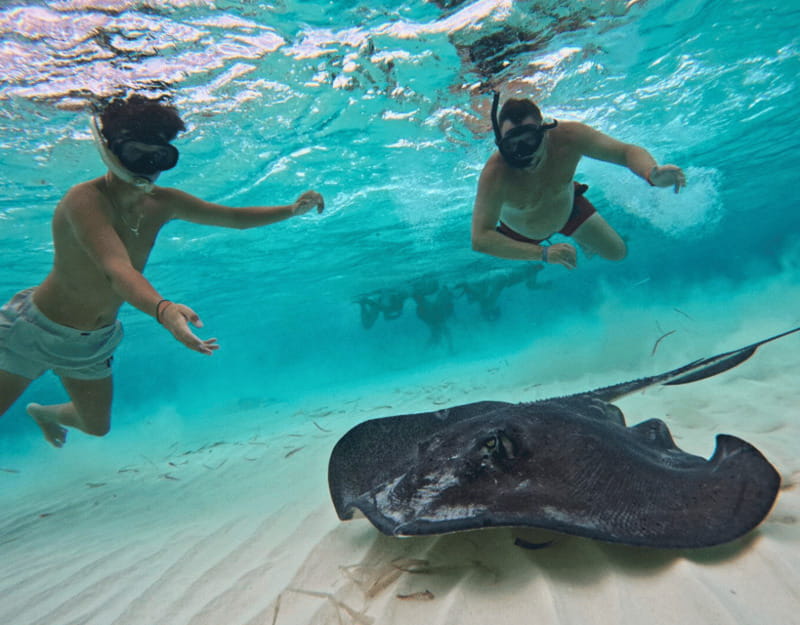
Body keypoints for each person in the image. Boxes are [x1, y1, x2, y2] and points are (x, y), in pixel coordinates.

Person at [0, 94, 324, 448]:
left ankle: (43, 413)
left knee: (96, 426)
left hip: (93, 341)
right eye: (135, 154)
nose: (146, 167)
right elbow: (116, 269)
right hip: (34, 330)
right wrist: (165, 310)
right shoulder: (85, 199)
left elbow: (232, 217)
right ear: (108, 149)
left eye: (158, 157)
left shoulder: (163, 202)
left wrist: (291, 210)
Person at [471, 92, 686, 269]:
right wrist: (543, 253)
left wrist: (650, 173)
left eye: (529, 139)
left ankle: (579, 236)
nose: (523, 151)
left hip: (567, 209)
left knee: (617, 252)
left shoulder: (569, 137)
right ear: (501, 143)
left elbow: (625, 152)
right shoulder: (495, 174)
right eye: (513, 144)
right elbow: (480, 238)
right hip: (520, 233)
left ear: (545, 131)